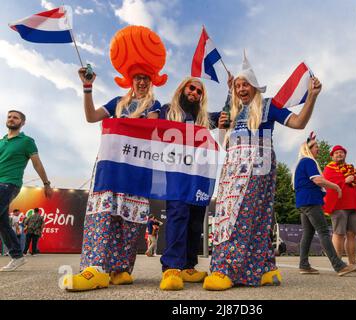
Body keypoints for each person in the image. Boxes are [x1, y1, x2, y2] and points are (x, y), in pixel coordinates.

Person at [204, 53, 323, 291]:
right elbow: (222, 143)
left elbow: (299, 123)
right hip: (232, 169)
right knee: (231, 216)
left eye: (244, 84)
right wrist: (221, 126)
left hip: (259, 169)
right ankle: (261, 268)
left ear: (254, 87)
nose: (240, 89)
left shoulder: (268, 106)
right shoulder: (231, 112)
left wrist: (311, 96)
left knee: (250, 218)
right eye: (237, 85)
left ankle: (236, 269)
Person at [65, 26, 167, 291]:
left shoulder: (155, 107)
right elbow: (90, 118)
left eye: (146, 77)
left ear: (151, 80)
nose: (141, 81)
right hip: (110, 168)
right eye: (137, 77)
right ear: (130, 80)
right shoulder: (116, 103)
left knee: (131, 220)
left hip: (138, 169)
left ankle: (120, 269)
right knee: (104, 215)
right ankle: (95, 267)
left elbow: (151, 132)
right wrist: (87, 88)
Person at [156, 77, 221, 290]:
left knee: (196, 218)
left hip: (199, 173)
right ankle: (172, 267)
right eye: (191, 88)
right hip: (176, 172)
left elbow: (228, 112)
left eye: (199, 91)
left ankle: (188, 265)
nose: (194, 92)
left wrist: (231, 88)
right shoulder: (168, 110)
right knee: (177, 213)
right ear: (182, 88)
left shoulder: (204, 117)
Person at [293, 133, 356, 276]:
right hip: (311, 201)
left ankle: (303, 265)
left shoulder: (301, 162)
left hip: (302, 202)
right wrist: (336, 187)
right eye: (316, 147)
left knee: (308, 233)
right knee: (323, 231)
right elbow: (318, 180)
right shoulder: (308, 161)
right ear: (308, 149)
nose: (318, 149)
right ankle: (339, 266)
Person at [0, 110, 53, 272]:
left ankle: (16, 255)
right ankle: (17, 256)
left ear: (22, 123)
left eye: (16, 117)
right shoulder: (1, 141)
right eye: (9, 116)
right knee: (2, 223)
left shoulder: (27, 141)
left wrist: (46, 183)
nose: (11, 119)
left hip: (10, 184)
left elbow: (37, 164)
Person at [323, 145, 356, 268]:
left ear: (345, 154)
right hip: (338, 205)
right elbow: (327, 184)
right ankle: (338, 264)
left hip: (354, 205)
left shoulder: (352, 169)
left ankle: (352, 263)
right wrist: (344, 180)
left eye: (341, 152)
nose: (339, 154)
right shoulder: (329, 169)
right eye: (336, 153)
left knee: (352, 235)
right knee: (338, 234)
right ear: (332, 156)